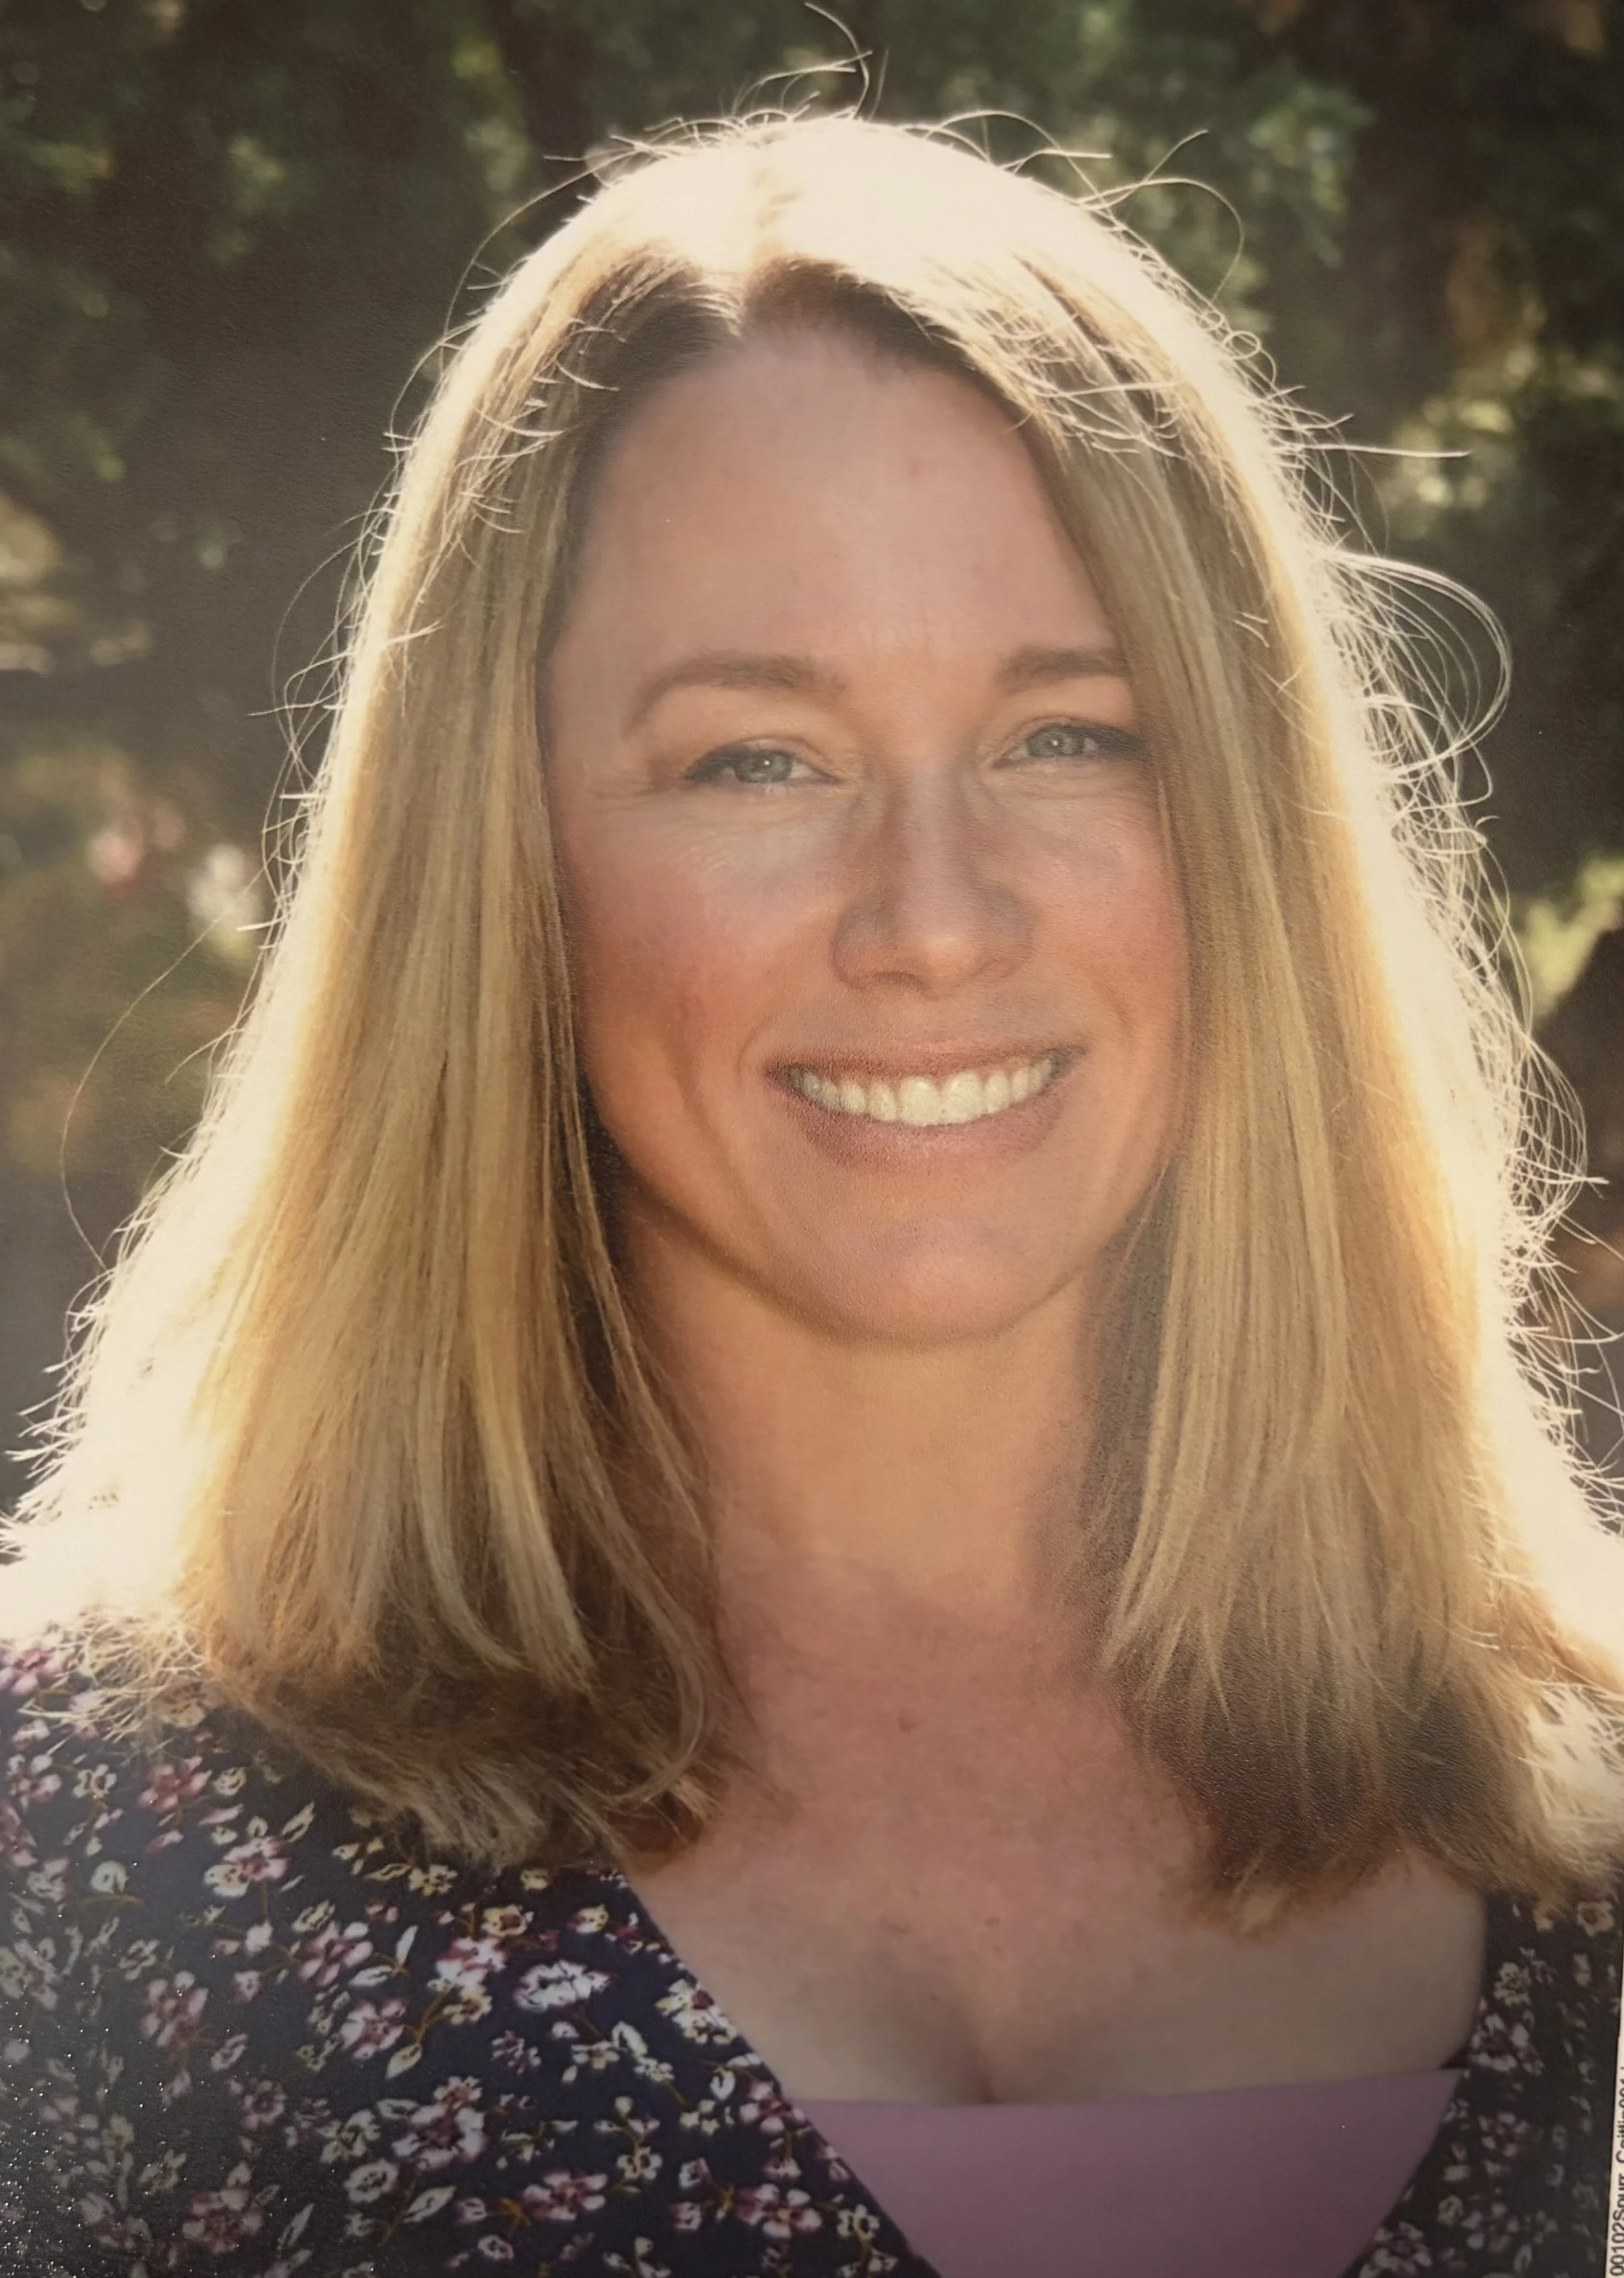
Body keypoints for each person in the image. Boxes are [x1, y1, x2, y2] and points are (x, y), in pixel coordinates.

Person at [2, 110, 1622, 2278]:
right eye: (755, 757)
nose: (934, 922)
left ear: (1246, 831)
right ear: (505, 869)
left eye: (1072, 734)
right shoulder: (83, 1823)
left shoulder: (1552, 1784)